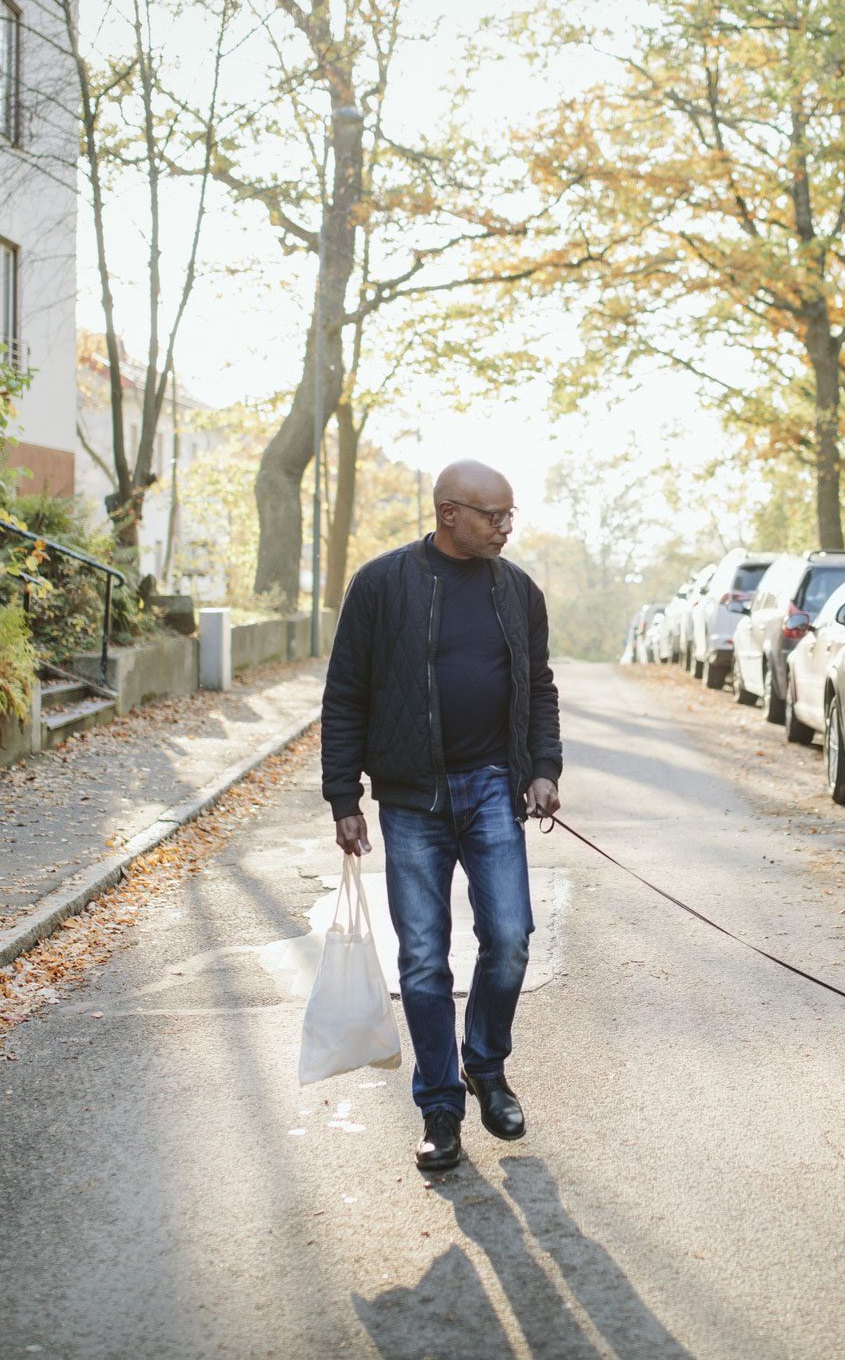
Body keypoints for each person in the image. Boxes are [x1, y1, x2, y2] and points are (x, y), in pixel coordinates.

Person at [321, 459, 562, 1174]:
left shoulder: (518, 592)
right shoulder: (381, 585)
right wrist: (343, 797)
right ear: (448, 512)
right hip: (410, 798)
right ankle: (439, 1108)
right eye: (493, 516)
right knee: (423, 960)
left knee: (511, 938)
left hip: (493, 787)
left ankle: (485, 1066)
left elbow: (539, 687)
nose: (504, 528)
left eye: (510, 515)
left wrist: (544, 768)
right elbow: (345, 695)